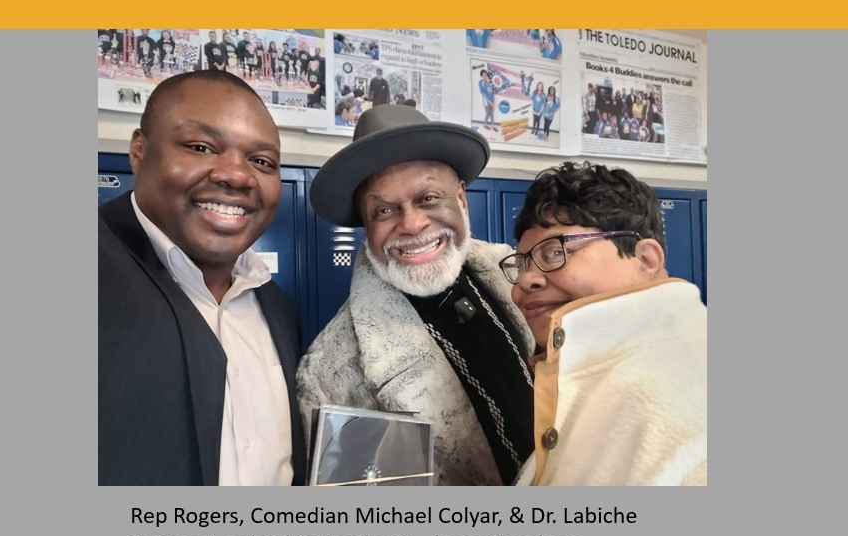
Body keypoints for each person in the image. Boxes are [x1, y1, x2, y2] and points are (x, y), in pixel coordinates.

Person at [297, 105, 536, 486]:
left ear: (461, 198)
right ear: (366, 224)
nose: (410, 224)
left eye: (427, 198)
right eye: (384, 210)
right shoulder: (332, 370)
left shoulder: (519, 276)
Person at [98, 70, 306, 486]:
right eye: (201, 147)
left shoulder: (277, 307)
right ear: (139, 151)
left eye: (261, 161)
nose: (237, 175)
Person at [501, 161, 706, 486]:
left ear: (646, 259)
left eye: (555, 252)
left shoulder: (690, 400)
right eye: (522, 263)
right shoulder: (594, 373)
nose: (525, 281)